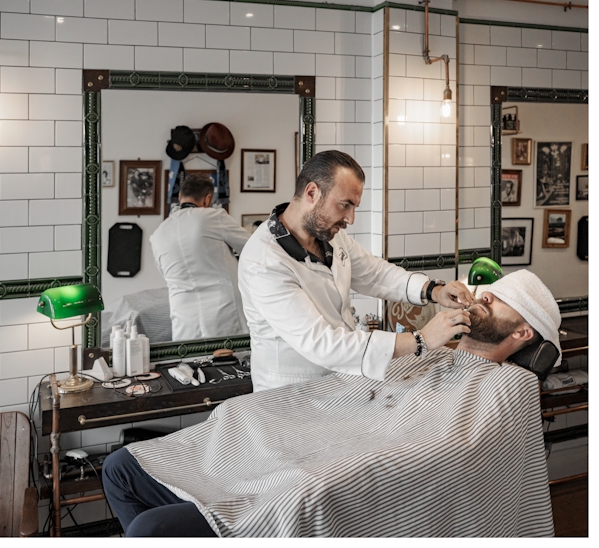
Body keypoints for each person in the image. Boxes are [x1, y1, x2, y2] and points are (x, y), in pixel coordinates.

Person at [103, 269, 560, 537]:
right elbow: (345, 390)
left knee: (151, 530)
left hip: (326, 477)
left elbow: (453, 454)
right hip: (298, 448)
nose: (484, 298)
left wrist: (332, 472)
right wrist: (422, 338)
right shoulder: (431, 350)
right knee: (120, 466)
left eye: (498, 303)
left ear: (522, 334)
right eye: (488, 291)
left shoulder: (510, 385)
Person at [237, 150, 475, 391]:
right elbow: (321, 344)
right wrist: (420, 340)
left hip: (340, 382)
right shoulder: (264, 261)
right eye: (345, 205)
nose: (350, 219)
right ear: (312, 193)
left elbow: (375, 273)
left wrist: (434, 290)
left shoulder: (329, 236)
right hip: (290, 393)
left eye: (354, 207)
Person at [149, 173, 254, 340]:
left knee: (190, 362)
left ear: (180, 196)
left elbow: (165, 273)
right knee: (230, 361)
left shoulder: (158, 234)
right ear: (208, 199)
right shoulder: (213, 216)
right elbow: (252, 247)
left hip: (183, 314)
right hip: (223, 310)